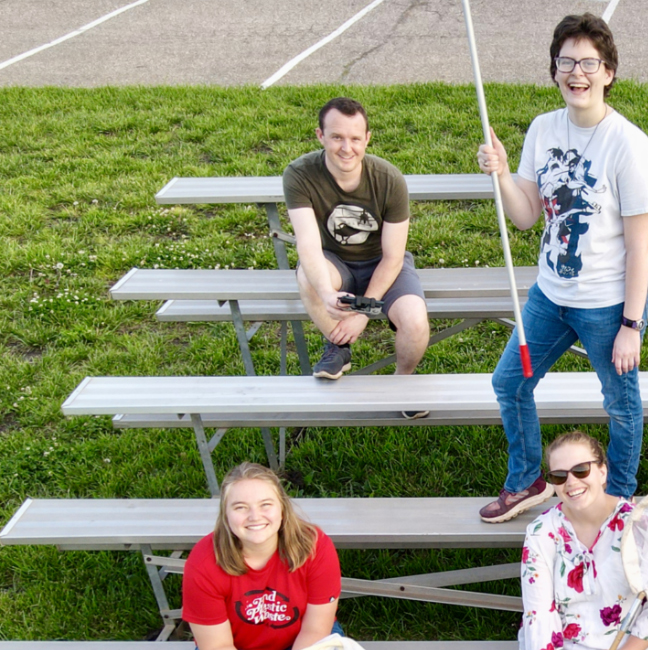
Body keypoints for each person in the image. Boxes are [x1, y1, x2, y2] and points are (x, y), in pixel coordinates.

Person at [475, 14, 648, 522]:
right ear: (554, 69)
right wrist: (501, 174)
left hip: (605, 305)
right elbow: (526, 215)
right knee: (509, 383)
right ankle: (528, 481)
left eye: (588, 63)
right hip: (548, 296)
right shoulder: (543, 128)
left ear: (609, 72)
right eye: (566, 62)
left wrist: (631, 324)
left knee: (621, 404)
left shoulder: (628, 143)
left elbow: (641, 246)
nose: (576, 73)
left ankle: (618, 496)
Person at [287, 97, 431, 412]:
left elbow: (393, 256)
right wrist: (327, 293)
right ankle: (338, 346)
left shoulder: (389, 179)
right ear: (320, 136)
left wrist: (363, 312)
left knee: (416, 322)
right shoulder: (299, 174)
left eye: (355, 138)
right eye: (337, 137)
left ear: (367, 138)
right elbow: (308, 245)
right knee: (307, 279)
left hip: (383, 264)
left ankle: (402, 382)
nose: (346, 147)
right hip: (335, 260)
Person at [520, 431, 648, 650]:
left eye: (581, 470)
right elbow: (539, 616)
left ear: (602, 472)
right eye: (559, 476)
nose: (571, 482)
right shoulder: (541, 532)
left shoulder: (640, 525)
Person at [183, 463, 342, 650]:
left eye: (265, 505)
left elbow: (315, 629)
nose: (254, 516)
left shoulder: (315, 547)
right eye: (240, 507)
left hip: (305, 640)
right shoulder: (203, 564)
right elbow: (218, 645)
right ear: (225, 515)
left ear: (282, 508)